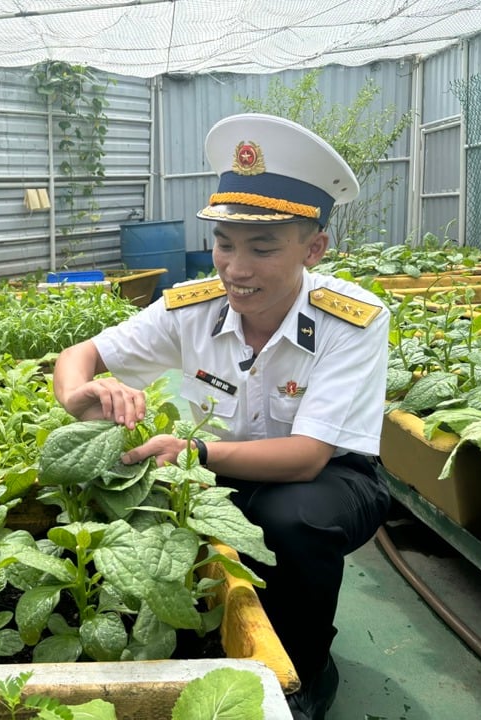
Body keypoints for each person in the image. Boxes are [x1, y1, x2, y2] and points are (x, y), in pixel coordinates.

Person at [52, 113, 391, 720]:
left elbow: (308, 454)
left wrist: (192, 453)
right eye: (224, 245)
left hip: (328, 480)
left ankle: (304, 668)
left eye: (262, 247)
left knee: (291, 519)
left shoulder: (351, 319)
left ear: (313, 248)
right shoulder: (191, 306)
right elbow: (81, 355)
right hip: (218, 468)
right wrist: (81, 393)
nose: (236, 267)